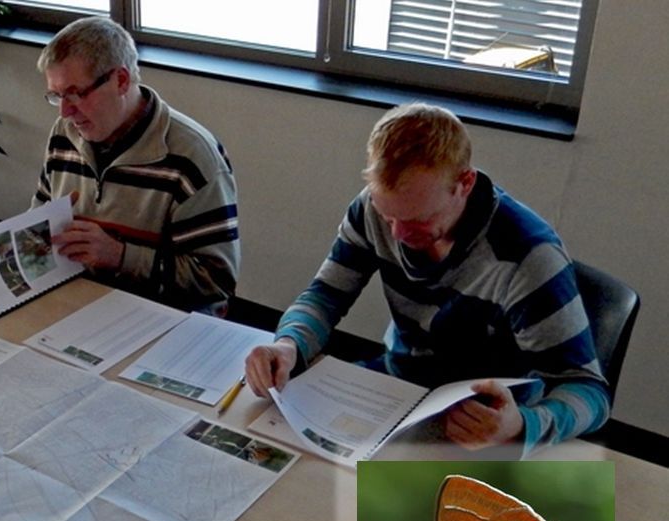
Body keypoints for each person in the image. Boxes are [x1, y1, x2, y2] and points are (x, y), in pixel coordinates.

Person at [245, 103, 609, 456]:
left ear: (464, 183)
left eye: (418, 220)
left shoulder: (527, 256)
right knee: (283, 456)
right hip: (396, 388)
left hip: (480, 420)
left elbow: (588, 391)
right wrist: (288, 345)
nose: (399, 235)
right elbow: (325, 296)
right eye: (389, 217)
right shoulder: (371, 209)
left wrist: (522, 426)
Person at [33, 16, 240, 315]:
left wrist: (121, 256)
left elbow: (215, 282)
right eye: (57, 96)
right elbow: (38, 219)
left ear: (121, 80)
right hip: (85, 305)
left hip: (164, 321)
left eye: (76, 93)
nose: (66, 112)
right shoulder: (64, 135)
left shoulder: (191, 155)